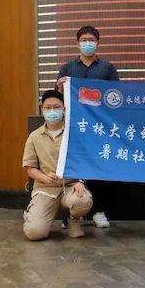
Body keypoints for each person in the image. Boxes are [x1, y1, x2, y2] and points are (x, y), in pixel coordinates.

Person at [56, 25, 119, 228]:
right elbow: (58, 99)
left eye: (91, 40)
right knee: (75, 170)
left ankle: (99, 211)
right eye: (83, 40)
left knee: (100, 170)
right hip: (76, 129)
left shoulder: (107, 68)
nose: (87, 43)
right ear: (77, 44)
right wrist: (62, 87)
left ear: (97, 43)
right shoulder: (67, 69)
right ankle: (75, 214)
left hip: (100, 129)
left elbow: (116, 97)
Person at [22, 89, 93, 240]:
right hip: (45, 189)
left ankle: (73, 220)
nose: (52, 111)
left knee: (83, 200)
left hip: (70, 185)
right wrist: (44, 177)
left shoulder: (74, 133)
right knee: (35, 233)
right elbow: (30, 168)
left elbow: (84, 161)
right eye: (48, 108)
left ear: (64, 109)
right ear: (42, 110)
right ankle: (33, 214)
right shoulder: (34, 137)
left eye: (56, 107)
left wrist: (80, 181)